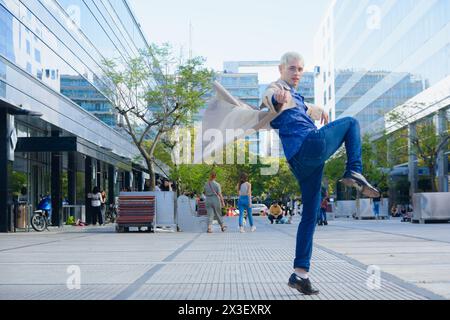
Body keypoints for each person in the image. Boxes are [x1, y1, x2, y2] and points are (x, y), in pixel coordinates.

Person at [261, 52, 380, 295]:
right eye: (292, 68)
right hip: (308, 145)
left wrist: (319, 110)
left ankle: (300, 275)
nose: (296, 73)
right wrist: (277, 97)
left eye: (300, 69)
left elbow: (307, 107)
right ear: (281, 69)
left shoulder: (297, 97)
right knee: (351, 123)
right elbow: (270, 97)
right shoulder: (277, 88)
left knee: (310, 215)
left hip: (302, 163)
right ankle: (354, 171)